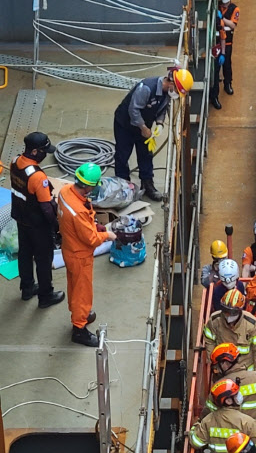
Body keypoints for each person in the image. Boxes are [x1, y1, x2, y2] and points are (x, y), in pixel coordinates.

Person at [57, 163, 117, 347]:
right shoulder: (79, 212)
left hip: (69, 247)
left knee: (74, 286)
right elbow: (91, 239)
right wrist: (108, 235)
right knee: (82, 292)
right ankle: (79, 329)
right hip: (80, 255)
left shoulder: (66, 191)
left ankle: (78, 314)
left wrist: (94, 225)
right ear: (89, 185)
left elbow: (84, 223)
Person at [113, 67, 193, 201]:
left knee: (146, 154)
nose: (176, 95)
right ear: (171, 83)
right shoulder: (146, 88)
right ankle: (124, 186)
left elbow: (162, 109)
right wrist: (143, 128)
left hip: (145, 126)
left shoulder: (167, 93)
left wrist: (160, 123)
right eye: (177, 91)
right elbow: (134, 110)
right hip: (125, 125)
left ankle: (147, 184)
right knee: (122, 154)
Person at [9, 132, 64, 308]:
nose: (45, 155)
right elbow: (46, 208)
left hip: (20, 217)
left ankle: (27, 289)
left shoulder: (14, 161)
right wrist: (57, 228)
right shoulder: (38, 177)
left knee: (25, 254)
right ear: (34, 152)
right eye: (43, 151)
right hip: (37, 225)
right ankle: (46, 296)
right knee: (43, 259)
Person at [203, 288, 256, 372]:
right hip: (223, 371)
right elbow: (209, 340)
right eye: (226, 311)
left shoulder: (252, 324)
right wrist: (213, 362)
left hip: (246, 372)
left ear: (240, 310)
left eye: (232, 312)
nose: (228, 315)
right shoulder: (214, 320)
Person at [207, 342, 256, 425]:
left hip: (232, 435)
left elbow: (208, 414)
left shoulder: (220, 386)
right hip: (254, 432)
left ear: (225, 363)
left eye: (217, 366)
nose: (216, 370)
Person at [219, 0, 240, 96]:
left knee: (227, 64)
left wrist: (222, 18)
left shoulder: (234, 9)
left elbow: (233, 25)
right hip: (217, 40)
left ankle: (228, 83)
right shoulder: (218, 6)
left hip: (227, 41)